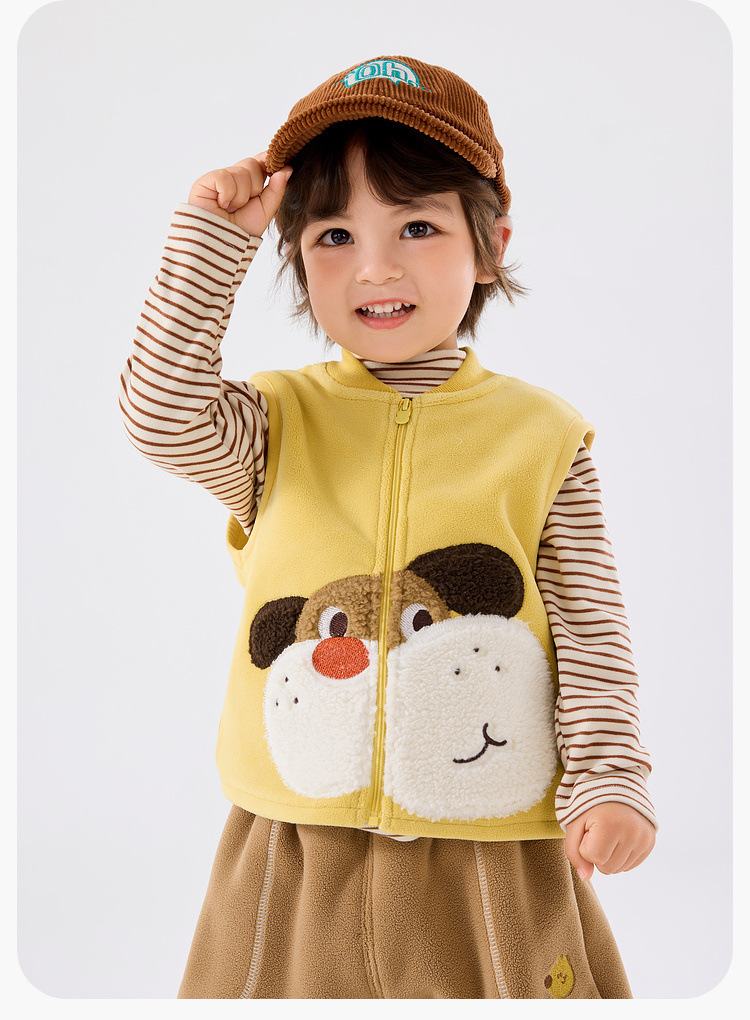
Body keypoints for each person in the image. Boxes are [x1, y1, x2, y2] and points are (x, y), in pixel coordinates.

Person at [119, 55, 657, 999]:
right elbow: (160, 411)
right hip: (295, 843)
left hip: (490, 845)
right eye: (333, 235)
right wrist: (212, 242)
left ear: (489, 245)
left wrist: (610, 776)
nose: (375, 265)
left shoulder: (542, 436)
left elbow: (588, 621)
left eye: (417, 225)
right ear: (294, 259)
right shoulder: (274, 424)